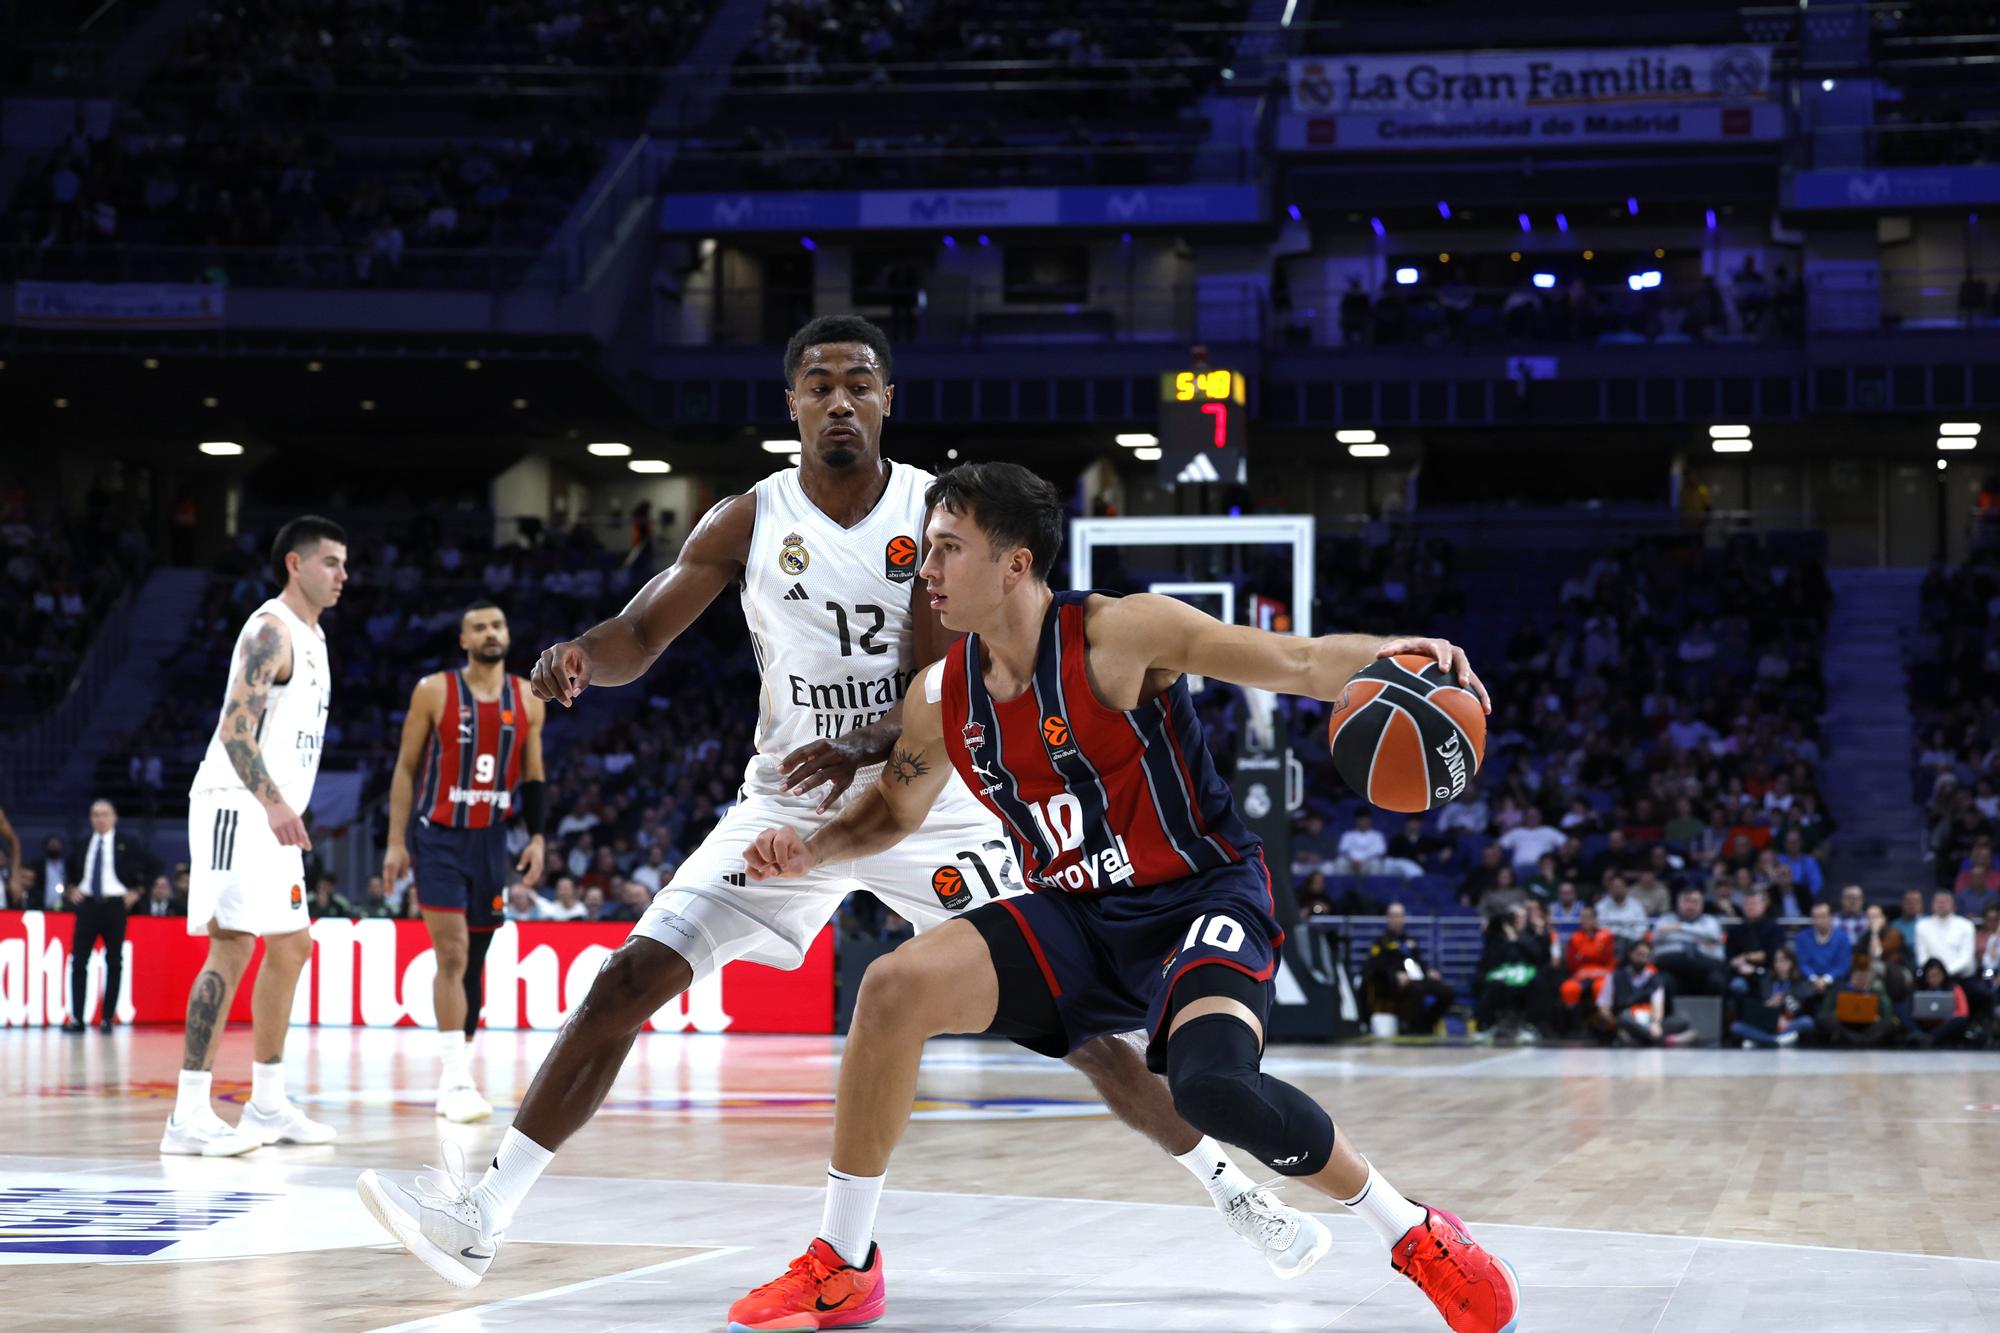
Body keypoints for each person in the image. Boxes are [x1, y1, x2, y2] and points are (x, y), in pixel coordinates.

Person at [356, 319, 1325, 1292]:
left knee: (1083, 1035)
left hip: (929, 801)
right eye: (817, 385)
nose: (838, 401)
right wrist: (579, 660)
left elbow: (937, 677)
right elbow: (640, 631)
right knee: (624, 982)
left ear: (885, 399)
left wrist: (863, 744)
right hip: (783, 805)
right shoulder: (747, 518)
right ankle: (481, 1213)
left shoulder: (935, 513)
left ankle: (1234, 1188)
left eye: (857, 383)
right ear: (790, 405)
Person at [725, 462, 1518, 1331]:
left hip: (1198, 893)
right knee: (891, 987)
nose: (928, 568)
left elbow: (1292, 660)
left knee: (1211, 1090)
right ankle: (844, 1263)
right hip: (1077, 915)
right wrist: (809, 845)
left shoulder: (1118, 634)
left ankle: (1413, 1232)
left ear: (1015, 563)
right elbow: (891, 810)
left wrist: (1396, 654)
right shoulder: (941, 693)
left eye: (950, 549)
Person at [165, 515, 346, 1157]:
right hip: (234, 805)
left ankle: (267, 1106)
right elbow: (234, 729)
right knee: (233, 945)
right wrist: (272, 804)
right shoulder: (271, 629)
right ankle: (188, 1115)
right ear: (295, 564)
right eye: (330, 562)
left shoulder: (315, 638)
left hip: (271, 814)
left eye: (344, 564)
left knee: (292, 947)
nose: (342, 575)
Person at [382, 599, 549, 1123]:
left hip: (491, 841)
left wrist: (538, 837)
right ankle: (453, 1080)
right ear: (464, 640)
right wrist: (395, 841)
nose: (490, 633)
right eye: (478, 627)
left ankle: (461, 1072)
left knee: (475, 961)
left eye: (497, 624)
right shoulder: (434, 690)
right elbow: (407, 770)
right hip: (439, 839)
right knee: (451, 955)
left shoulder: (528, 697)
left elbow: (534, 776)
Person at [63, 798, 151, 1032]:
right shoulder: (82, 843)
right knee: (79, 961)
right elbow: (70, 871)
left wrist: (137, 891)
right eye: (95, 814)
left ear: (114, 818)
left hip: (115, 906)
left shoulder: (127, 843)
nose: (99, 818)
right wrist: (71, 889)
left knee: (114, 962)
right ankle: (77, 1018)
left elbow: (153, 866)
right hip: (88, 906)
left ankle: (107, 1018)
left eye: (104, 814)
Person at [1366, 902, 1456, 1035]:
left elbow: (1418, 961)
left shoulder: (1410, 940)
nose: (1397, 919)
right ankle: (1412, 1028)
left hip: (1416, 978)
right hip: (1392, 983)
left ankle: (1427, 1023)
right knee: (1416, 990)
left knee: (1446, 991)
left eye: (1400, 916)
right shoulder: (1381, 942)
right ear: (1388, 918)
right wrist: (1395, 975)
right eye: (1394, 916)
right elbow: (1375, 966)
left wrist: (1428, 971)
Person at [1595, 937, 1691, 1047]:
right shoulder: (1615, 976)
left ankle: (1643, 1038)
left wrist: (1656, 1023)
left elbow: (1658, 1005)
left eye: (1646, 956)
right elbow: (1603, 1006)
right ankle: (1663, 1040)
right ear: (1630, 954)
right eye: (1639, 954)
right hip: (1627, 1018)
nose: (1642, 958)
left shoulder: (1654, 978)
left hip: (1649, 1020)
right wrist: (1614, 1022)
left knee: (1682, 1020)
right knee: (1624, 1018)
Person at [1728, 946, 1816, 1048]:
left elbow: (1799, 1010)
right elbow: (1756, 1008)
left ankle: (1762, 1040)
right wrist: (1769, 1004)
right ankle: (1775, 1040)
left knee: (1807, 1021)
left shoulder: (1800, 983)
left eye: (1783, 960)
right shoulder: (1766, 981)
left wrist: (1784, 1001)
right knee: (1736, 1027)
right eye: (1777, 961)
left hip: (1787, 1024)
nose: (1780, 964)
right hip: (1765, 1026)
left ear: (1792, 962)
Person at [1650, 886, 1727, 997]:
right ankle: (1666, 1015)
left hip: (1705, 968)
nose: (1690, 906)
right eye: (1686, 901)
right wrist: (1699, 938)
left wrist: (1679, 928)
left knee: (1717, 981)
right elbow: (1656, 936)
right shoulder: (1666, 919)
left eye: (1695, 902)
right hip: (1671, 967)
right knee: (1662, 982)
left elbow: (1713, 934)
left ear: (1702, 904)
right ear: (1678, 902)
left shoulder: (1710, 921)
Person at [1822, 960, 1898, 1048]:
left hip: (1868, 1027)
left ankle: (1858, 1041)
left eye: (1865, 976)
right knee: (1825, 1021)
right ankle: (1859, 1040)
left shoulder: (1876, 992)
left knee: (1890, 1024)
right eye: (1859, 975)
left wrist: (1877, 1017)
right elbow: (1825, 1012)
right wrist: (1837, 1014)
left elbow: (1887, 1014)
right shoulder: (1839, 990)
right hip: (1845, 1026)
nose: (1862, 979)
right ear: (1852, 975)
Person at [1793, 901, 1852, 1001]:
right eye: (1815, 917)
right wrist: (1814, 979)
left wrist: (1826, 980)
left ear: (1831, 917)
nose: (1819, 921)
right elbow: (1802, 963)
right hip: (1809, 981)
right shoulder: (1801, 937)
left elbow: (1843, 965)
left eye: (1823, 916)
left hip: (1834, 981)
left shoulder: (1843, 938)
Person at [1906, 958, 1972, 1049]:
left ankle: (1929, 1038)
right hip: (1924, 1024)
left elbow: (1964, 1012)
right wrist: (1919, 1014)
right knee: (1902, 1010)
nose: (1934, 979)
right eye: (1930, 976)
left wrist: (1949, 1016)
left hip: (1946, 1025)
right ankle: (1920, 1035)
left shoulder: (1954, 988)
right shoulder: (1919, 989)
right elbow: (1911, 1011)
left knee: (1961, 1020)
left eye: (1937, 975)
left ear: (1943, 974)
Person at [1594, 873, 1649, 950]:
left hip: (1631, 942)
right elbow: (1599, 926)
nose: (1618, 890)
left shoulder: (1636, 906)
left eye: (1620, 887)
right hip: (1608, 943)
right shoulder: (1601, 906)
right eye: (1615, 887)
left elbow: (1642, 927)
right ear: (1610, 889)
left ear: (1626, 888)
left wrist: (1630, 938)